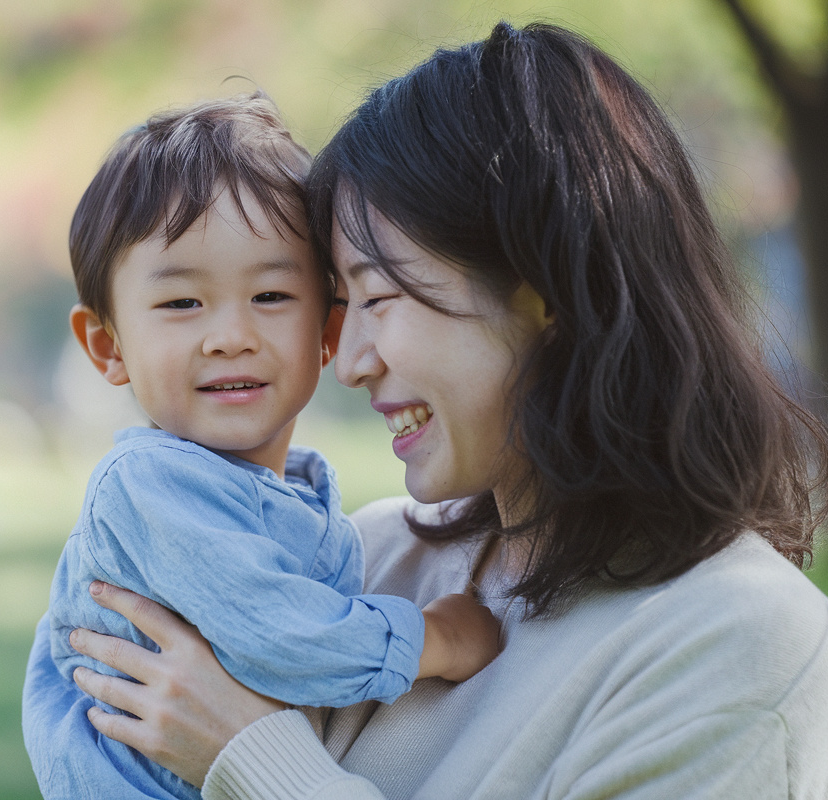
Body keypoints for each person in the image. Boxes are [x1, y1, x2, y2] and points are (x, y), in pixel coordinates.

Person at [24, 22, 828, 798]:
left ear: (545, 293)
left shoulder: (740, 643)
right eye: (341, 300)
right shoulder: (374, 558)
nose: (346, 359)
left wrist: (250, 758)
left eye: (377, 297)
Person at [34, 93, 499, 800]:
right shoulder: (147, 489)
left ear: (329, 325)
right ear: (109, 346)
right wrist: (435, 639)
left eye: (273, 296)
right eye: (182, 303)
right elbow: (282, 636)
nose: (230, 335)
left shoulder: (304, 500)